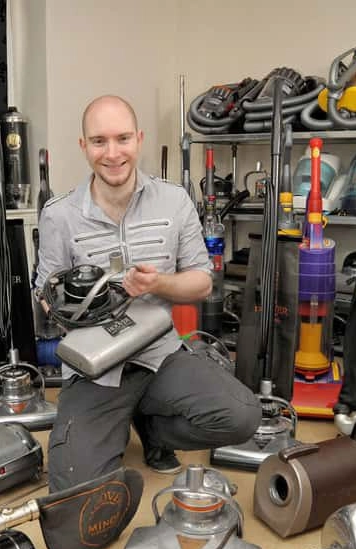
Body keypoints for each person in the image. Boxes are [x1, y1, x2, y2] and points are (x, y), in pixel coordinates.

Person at [34, 95, 261, 492]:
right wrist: (77, 306)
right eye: (99, 141)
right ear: (84, 146)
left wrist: (158, 284)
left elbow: (202, 282)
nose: (112, 153)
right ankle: (114, 421)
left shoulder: (173, 201)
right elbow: (44, 295)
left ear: (138, 139)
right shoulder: (59, 215)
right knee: (73, 486)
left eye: (122, 138)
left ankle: (153, 429)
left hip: (161, 355)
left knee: (242, 416)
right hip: (96, 371)